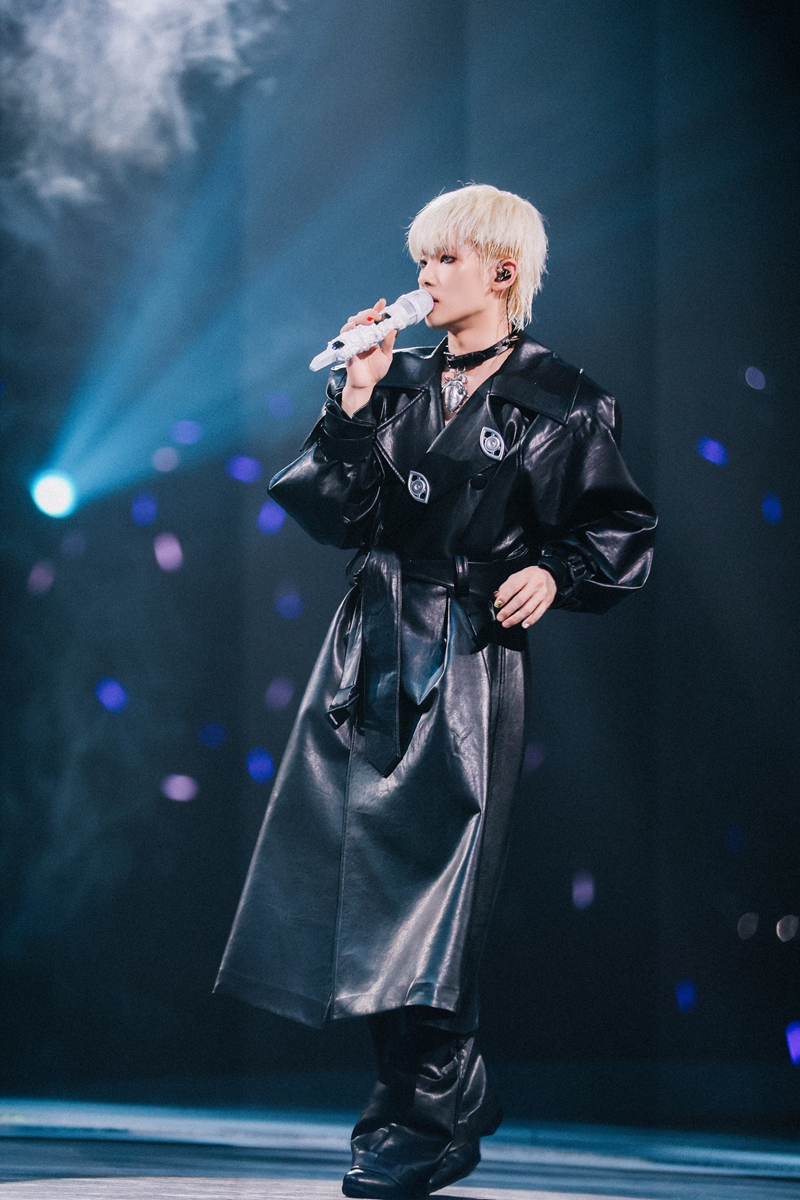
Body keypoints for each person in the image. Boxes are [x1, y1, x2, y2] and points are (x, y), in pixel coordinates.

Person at [214, 184, 657, 1198]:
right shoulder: (399, 378)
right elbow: (338, 514)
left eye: (443, 261)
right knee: (353, 881)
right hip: (366, 643)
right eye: (419, 260)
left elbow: (616, 527)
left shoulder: (562, 398)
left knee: (435, 889)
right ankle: (426, 1096)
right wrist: (355, 398)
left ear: (499, 273)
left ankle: (426, 1107)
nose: (422, 278)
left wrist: (558, 572)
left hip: (464, 652)